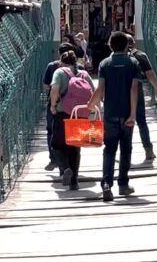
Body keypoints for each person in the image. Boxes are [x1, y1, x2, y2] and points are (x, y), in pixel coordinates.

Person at [86, 31, 141, 202]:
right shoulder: (133, 63)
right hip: (127, 114)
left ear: (110, 45)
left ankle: (106, 184)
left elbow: (100, 88)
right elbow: (134, 89)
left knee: (109, 149)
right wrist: (132, 114)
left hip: (110, 113)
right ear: (127, 45)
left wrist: (90, 104)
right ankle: (123, 185)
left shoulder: (104, 64)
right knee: (126, 149)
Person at [50, 49, 94, 190]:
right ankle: (74, 181)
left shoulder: (59, 72)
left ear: (62, 61)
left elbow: (55, 88)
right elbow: (93, 92)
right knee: (75, 148)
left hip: (63, 112)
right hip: (80, 114)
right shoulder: (84, 74)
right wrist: (92, 113)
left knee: (57, 144)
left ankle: (65, 167)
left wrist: (52, 105)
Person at [125, 34, 157, 166]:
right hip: (138, 89)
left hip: (121, 91)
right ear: (134, 43)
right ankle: (148, 150)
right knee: (141, 121)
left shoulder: (118, 55)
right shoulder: (140, 55)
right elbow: (150, 74)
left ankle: (126, 153)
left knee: (125, 122)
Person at [42, 42, 78, 171]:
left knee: (52, 133)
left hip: (57, 106)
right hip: (75, 108)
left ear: (59, 54)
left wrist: (52, 103)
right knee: (73, 137)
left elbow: (47, 86)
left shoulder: (53, 67)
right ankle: (72, 168)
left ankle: (55, 161)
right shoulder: (79, 68)